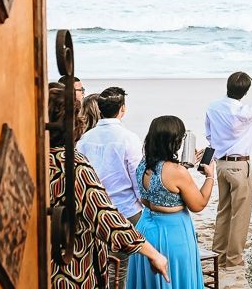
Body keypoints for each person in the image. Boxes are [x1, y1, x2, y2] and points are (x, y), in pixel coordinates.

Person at [47, 88, 169, 288]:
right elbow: (105, 216)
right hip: (71, 268)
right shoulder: (72, 165)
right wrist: (153, 253)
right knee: (120, 274)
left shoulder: (32, 159)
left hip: (39, 264)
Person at [205, 53, 252, 267]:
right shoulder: (243, 112)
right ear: (245, 92)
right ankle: (234, 258)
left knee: (223, 211)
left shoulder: (213, 107)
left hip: (220, 164)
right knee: (240, 214)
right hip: (239, 165)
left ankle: (218, 256)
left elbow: (209, 135)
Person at [128, 115, 213, 288]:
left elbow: (149, 194)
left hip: (145, 231)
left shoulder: (143, 164)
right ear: (174, 142)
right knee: (175, 279)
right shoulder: (177, 171)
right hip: (173, 233)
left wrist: (183, 167)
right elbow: (199, 204)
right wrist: (210, 176)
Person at [77, 87, 144, 286]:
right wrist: (143, 204)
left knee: (98, 266)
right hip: (126, 211)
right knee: (121, 270)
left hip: (93, 211)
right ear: (122, 109)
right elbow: (137, 179)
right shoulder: (129, 138)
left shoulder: (85, 138)